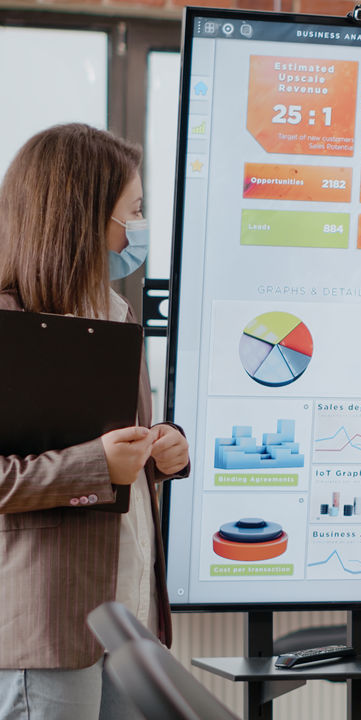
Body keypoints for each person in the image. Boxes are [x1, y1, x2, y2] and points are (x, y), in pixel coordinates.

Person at [0, 123, 190, 719]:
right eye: (132, 212)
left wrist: (163, 451)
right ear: (82, 217)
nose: (139, 228)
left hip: (127, 616)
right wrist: (95, 465)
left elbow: (119, 454)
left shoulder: (115, 313)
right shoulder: (9, 321)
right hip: (51, 628)